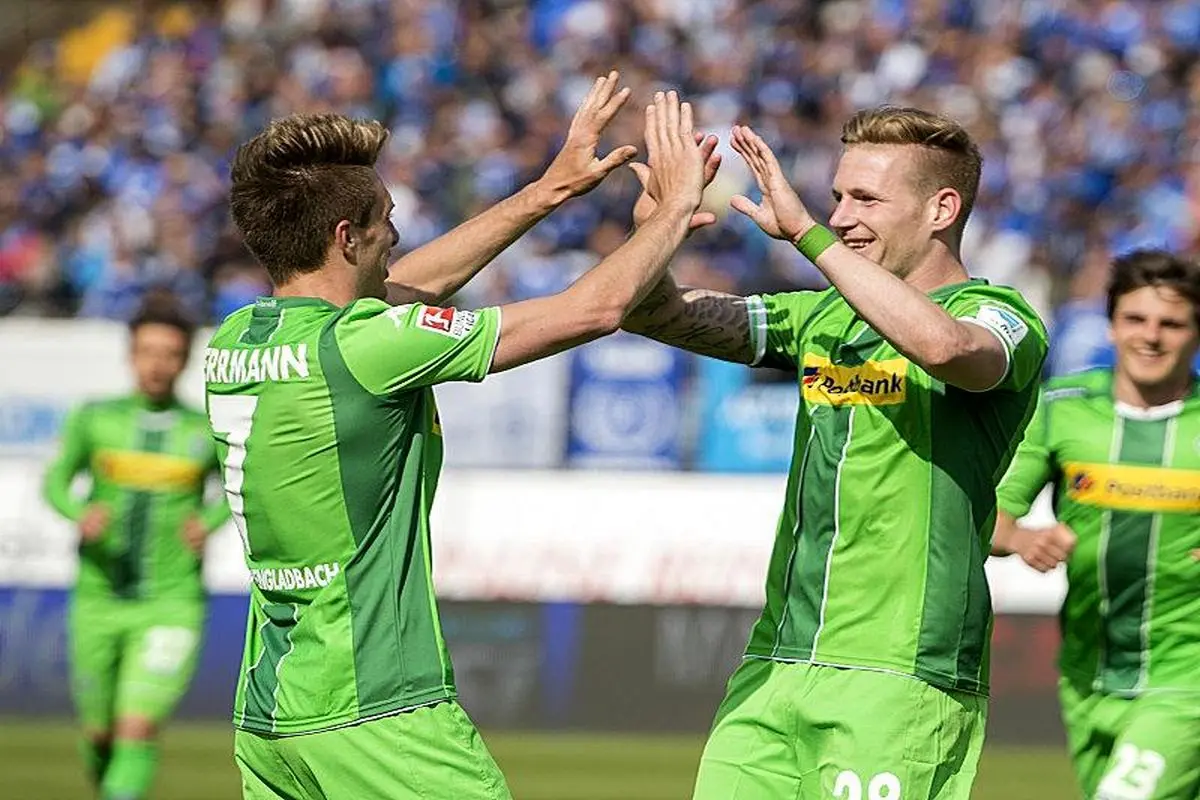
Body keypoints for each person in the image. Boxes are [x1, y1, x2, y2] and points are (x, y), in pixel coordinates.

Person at [206, 75, 710, 799]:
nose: (395, 236)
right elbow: (593, 310)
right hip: (379, 709)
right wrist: (675, 208)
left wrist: (548, 191)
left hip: (271, 718)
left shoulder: (239, 337)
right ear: (346, 237)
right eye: (384, 221)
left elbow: (406, 286)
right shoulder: (368, 345)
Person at [622, 107, 1049, 799]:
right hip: (776, 662)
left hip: (900, 669)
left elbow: (947, 349)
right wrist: (656, 229)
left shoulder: (1001, 315)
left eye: (867, 199)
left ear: (942, 209)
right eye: (837, 198)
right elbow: (654, 314)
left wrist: (807, 234)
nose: (843, 216)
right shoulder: (819, 317)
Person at [992, 250, 1200, 800]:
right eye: (1136, 319)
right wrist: (1019, 537)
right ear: (1110, 326)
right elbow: (987, 514)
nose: (1151, 336)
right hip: (1087, 675)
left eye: (1172, 323)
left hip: (1187, 680)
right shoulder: (1063, 408)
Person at [43, 296, 230, 800]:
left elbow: (240, 487)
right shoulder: (95, 419)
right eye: (148, 351)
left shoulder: (203, 428)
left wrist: (208, 521)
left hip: (172, 602)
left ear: (185, 360)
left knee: (137, 727)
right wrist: (79, 512)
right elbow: (55, 483)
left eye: (170, 354)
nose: (157, 364)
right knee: (99, 733)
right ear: (131, 355)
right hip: (98, 600)